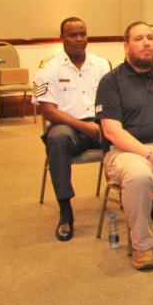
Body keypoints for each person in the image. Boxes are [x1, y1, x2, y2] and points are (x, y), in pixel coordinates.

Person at [95, 22, 153, 271]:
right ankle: (142, 246)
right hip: (128, 152)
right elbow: (112, 131)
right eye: (139, 38)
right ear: (127, 46)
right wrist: (150, 154)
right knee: (138, 176)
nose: (147, 43)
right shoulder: (111, 81)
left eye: (150, 37)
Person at [32, 17, 111, 241]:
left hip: (99, 124)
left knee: (131, 134)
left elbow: (114, 101)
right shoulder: (48, 68)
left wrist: (104, 124)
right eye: (72, 35)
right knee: (57, 139)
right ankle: (65, 211)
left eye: (82, 34)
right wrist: (85, 127)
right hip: (68, 127)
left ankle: (141, 198)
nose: (79, 39)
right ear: (62, 38)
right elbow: (49, 111)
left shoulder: (102, 64)